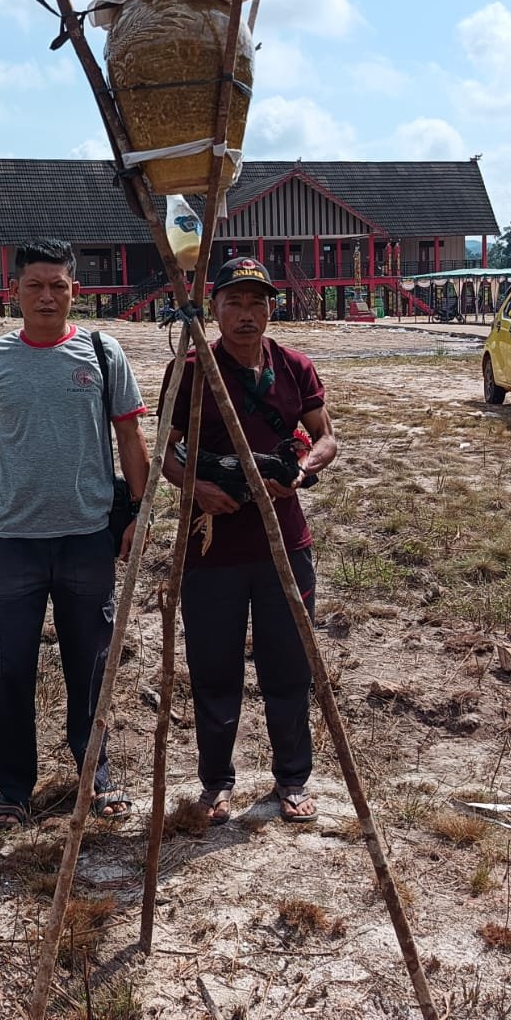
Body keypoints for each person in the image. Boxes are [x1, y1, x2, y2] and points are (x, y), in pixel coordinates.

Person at [0, 239, 151, 831]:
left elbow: (130, 437)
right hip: (12, 539)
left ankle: (95, 778)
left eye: (58, 285)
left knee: (92, 665)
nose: (47, 296)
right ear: (15, 292)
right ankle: (12, 791)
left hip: (88, 535)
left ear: (75, 290)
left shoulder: (103, 353)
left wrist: (140, 512)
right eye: (35, 285)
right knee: (9, 668)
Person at [159, 256, 338, 825]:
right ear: (213, 309)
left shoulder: (294, 367)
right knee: (214, 668)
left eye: (256, 303)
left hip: (285, 540)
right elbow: (165, 452)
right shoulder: (191, 369)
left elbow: (326, 437)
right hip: (212, 546)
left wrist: (302, 470)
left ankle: (293, 779)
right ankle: (216, 783)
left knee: (290, 664)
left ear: (270, 310)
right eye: (233, 302)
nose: (245, 314)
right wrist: (199, 488)